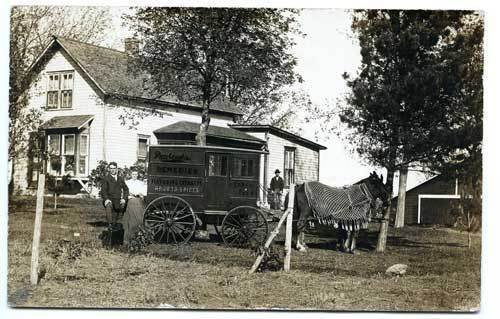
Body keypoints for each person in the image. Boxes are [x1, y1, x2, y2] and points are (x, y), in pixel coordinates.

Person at [101, 162, 129, 241]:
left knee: (119, 216)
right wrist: (106, 199)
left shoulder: (120, 178)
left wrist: (124, 198)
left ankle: (118, 226)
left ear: (116, 169)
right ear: (109, 169)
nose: (112, 170)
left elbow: (126, 189)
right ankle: (110, 225)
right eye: (111, 168)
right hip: (109, 200)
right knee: (109, 206)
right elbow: (103, 191)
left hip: (118, 200)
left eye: (114, 168)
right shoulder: (106, 178)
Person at [123, 168, 147, 246]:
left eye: (136, 174)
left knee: (140, 217)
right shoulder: (127, 182)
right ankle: (129, 238)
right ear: (131, 174)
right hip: (130, 200)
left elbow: (143, 192)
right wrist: (129, 195)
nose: (134, 176)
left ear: (137, 175)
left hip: (138, 200)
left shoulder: (140, 183)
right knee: (131, 217)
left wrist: (140, 194)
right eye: (133, 174)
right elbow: (125, 192)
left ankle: (139, 238)